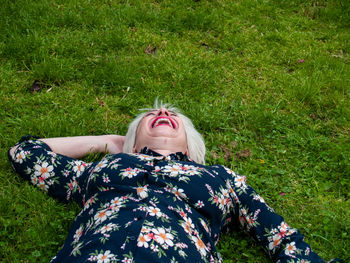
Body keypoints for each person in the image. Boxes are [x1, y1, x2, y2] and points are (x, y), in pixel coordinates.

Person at [8, 102, 341, 263]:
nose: (163, 110)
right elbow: (25, 152)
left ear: (189, 142)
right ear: (133, 139)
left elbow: (278, 235)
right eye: (148, 117)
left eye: (173, 116)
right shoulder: (104, 169)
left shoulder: (218, 177)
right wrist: (109, 143)